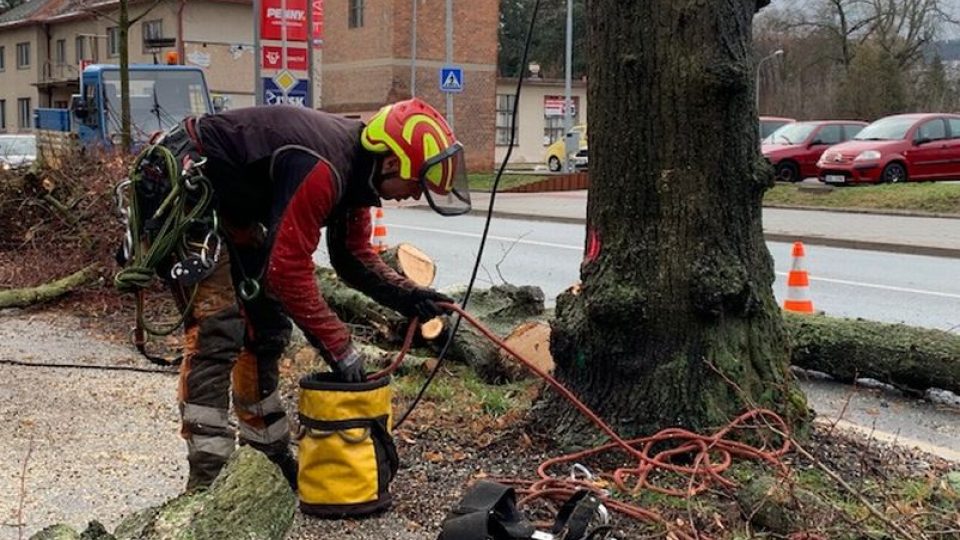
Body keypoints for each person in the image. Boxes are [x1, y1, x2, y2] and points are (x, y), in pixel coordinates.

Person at [117, 98, 471, 491]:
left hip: (234, 205)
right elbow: (287, 272)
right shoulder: (323, 167)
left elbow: (353, 257)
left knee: (265, 328)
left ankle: (266, 457)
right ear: (391, 162)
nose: (415, 195)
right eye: (416, 184)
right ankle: (208, 476)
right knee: (217, 330)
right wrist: (340, 347)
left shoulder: (358, 173)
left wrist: (410, 297)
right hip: (187, 188)